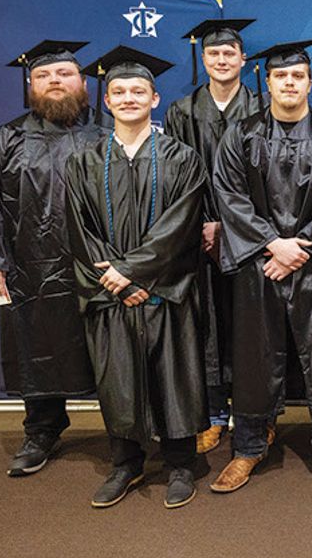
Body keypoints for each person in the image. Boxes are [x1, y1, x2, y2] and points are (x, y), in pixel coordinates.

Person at [210, 38, 312, 493]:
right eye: (282, 76)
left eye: (298, 76)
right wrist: (272, 244)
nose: (290, 82)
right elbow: (229, 195)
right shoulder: (242, 134)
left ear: (310, 83)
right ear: (268, 82)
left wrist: (299, 249)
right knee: (255, 358)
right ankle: (249, 448)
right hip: (260, 265)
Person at [67, 46, 207, 508]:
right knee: (118, 377)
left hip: (163, 289)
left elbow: (183, 225)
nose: (129, 98)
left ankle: (182, 463)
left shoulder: (181, 158)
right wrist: (115, 280)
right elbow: (79, 227)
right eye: (119, 91)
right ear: (106, 101)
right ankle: (125, 463)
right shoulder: (83, 162)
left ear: (155, 98)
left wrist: (134, 273)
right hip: (112, 294)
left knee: (174, 376)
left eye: (138, 91)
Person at [0, 40, 108, 477]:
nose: (55, 81)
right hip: (29, 265)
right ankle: (42, 430)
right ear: (30, 86)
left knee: (110, 347)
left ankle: (124, 429)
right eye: (44, 76)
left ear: (83, 83)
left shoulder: (105, 137)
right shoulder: (7, 138)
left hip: (98, 267)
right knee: (38, 346)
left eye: (64, 74)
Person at [165, 18, 263, 454]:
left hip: (250, 240)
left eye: (229, 53)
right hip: (199, 240)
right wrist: (205, 221)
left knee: (250, 326)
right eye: (213, 54)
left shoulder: (263, 107)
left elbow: (268, 180)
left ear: (243, 59)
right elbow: (179, 177)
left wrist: (233, 224)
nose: (222, 60)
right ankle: (213, 414)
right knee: (207, 327)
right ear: (203, 60)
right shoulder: (182, 112)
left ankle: (254, 414)